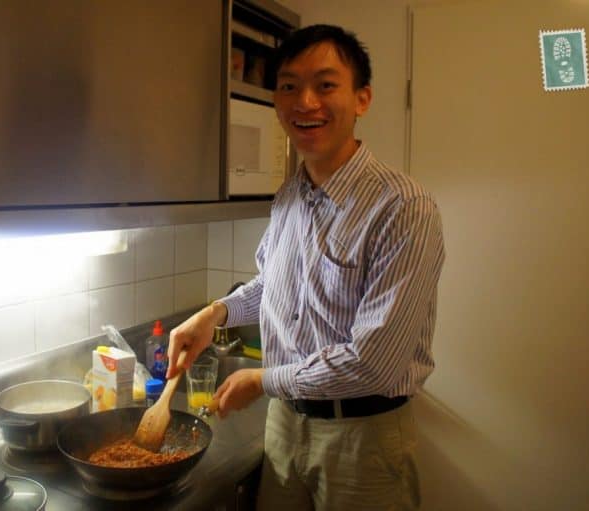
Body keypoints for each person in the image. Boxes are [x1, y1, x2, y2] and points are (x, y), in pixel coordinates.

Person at [167, 24, 445, 510]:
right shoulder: (291, 193)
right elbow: (275, 284)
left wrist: (263, 380)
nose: (305, 102)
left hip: (362, 437)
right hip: (285, 425)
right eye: (289, 86)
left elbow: (374, 363)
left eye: (326, 85)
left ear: (362, 99)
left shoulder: (403, 206)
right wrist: (215, 314)